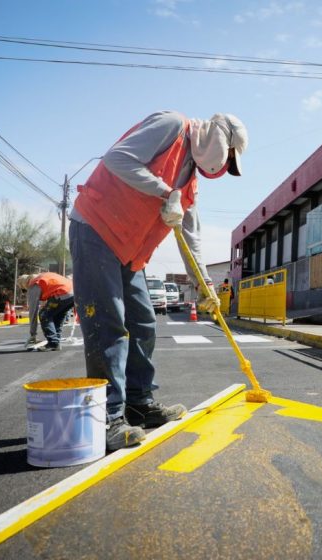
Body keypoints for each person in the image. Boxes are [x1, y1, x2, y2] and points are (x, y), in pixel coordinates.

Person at [69, 110, 248, 451]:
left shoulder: (190, 182)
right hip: (96, 229)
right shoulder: (172, 127)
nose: (223, 167)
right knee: (109, 324)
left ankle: (138, 403)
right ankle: (108, 417)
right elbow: (117, 158)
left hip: (128, 251)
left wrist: (206, 288)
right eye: (227, 158)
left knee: (143, 322)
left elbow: (192, 241)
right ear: (218, 138)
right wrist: (165, 193)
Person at [18, 272, 74, 351]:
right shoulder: (43, 277)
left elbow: (33, 311)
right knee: (56, 316)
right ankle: (56, 343)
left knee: (44, 315)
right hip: (73, 294)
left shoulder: (33, 284)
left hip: (62, 293)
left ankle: (53, 343)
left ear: (25, 284)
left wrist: (33, 333)